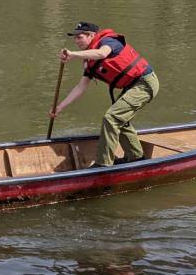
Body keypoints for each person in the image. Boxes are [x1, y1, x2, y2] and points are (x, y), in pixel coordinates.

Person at [50, 21, 160, 167]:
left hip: (145, 83)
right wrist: (59, 107)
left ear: (91, 35)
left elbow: (102, 53)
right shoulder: (89, 61)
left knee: (111, 117)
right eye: (74, 38)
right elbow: (80, 87)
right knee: (120, 120)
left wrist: (73, 54)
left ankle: (103, 164)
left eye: (79, 37)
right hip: (131, 86)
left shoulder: (109, 41)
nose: (76, 41)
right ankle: (136, 158)